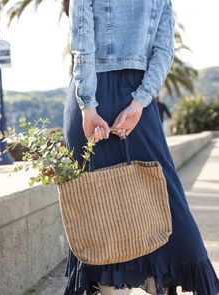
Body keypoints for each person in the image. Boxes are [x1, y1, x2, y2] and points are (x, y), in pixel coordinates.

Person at [63, 1, 219, 294]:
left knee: (93, 206)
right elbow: (163, 51)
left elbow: (81, 40)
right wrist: (140, 102)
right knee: (162, 196)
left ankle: (103, 285)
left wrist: (87, 104)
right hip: (137, 101)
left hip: (92, 97)